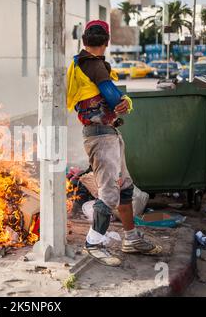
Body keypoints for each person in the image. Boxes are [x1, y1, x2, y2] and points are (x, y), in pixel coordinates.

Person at [66, 20, 162, 267]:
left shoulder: (80, 64)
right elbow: (112, 96)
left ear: (84, 40)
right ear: (106, 43)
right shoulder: (93, 64)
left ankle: (131, 239)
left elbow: (113, 99)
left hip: (106, 133)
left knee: (125, 188)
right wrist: (125, 102)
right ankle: (93, 243)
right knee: (110, 193)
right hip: (100, 136)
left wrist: (123, 102)